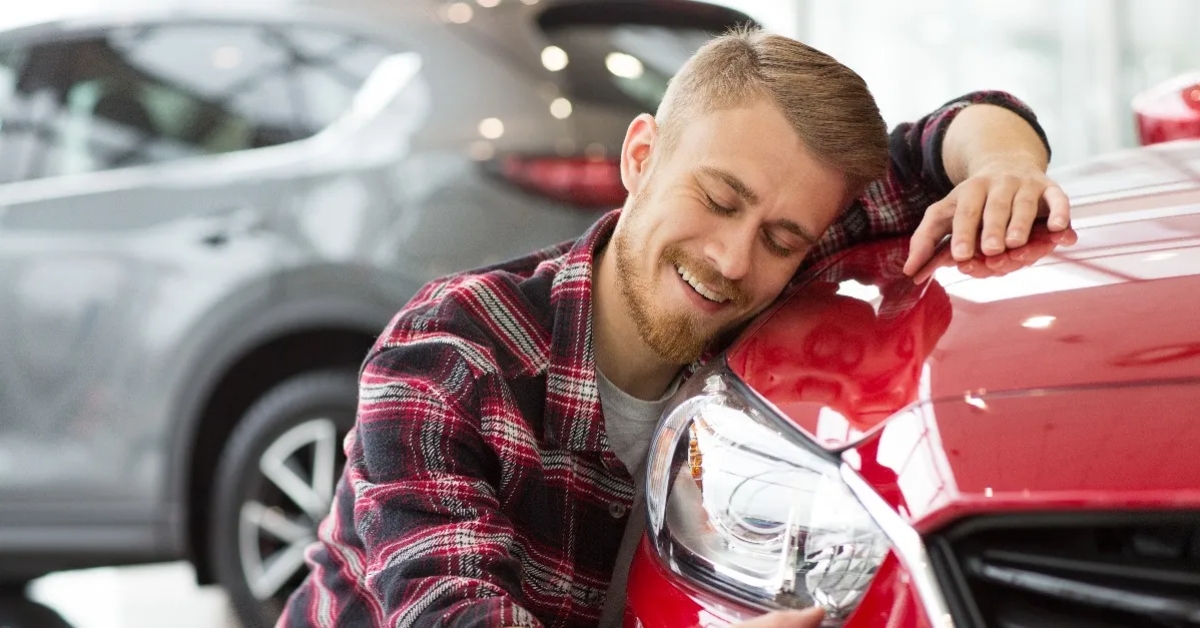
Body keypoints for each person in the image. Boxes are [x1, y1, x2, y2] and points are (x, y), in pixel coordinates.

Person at [279, 28, 1072, 628]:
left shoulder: (781, 253)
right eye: (718, 200)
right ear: (641, 156)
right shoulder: (449, 355)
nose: (731, 259)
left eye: (782, 238)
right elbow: (452, 613)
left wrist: (1008, 169)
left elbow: (957, 132)